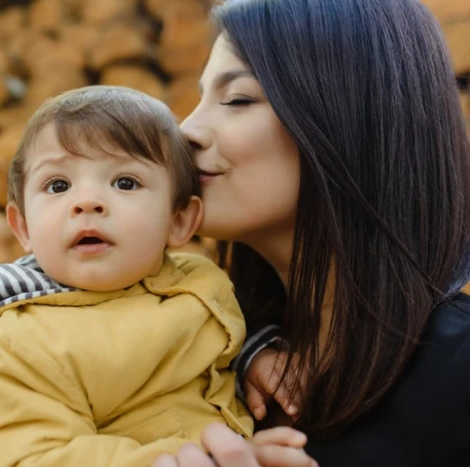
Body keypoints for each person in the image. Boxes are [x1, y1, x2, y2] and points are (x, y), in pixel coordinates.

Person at [0, 85, 316, 467]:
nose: (87, 202)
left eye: (125, 182)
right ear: (23, 229)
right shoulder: (11, 346)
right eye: (58, 185)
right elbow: (39, 458)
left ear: (179, 221)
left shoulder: (199, 281)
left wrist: (253, 361)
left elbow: (220, 345)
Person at [153, 0, 470, 466]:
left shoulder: (457, 370)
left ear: (355, 117)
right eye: (200, 99)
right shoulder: (210, 352)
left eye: (238, 99)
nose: (187, 129)